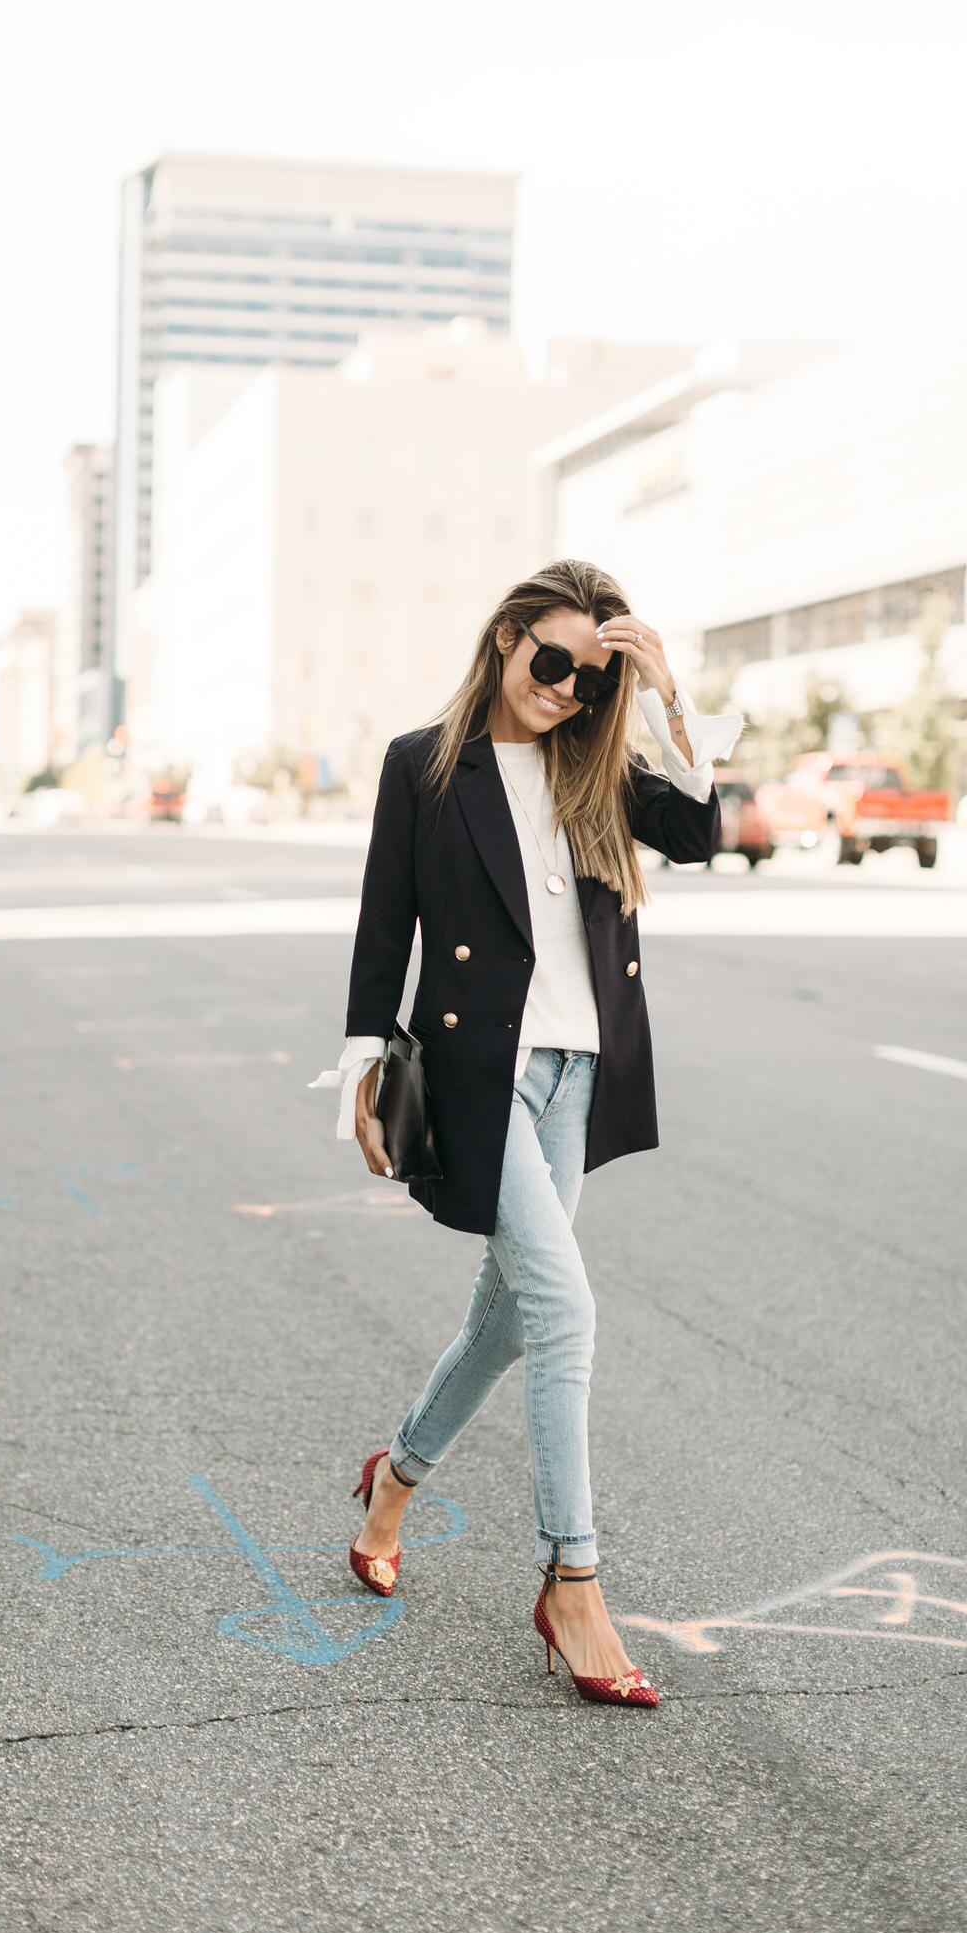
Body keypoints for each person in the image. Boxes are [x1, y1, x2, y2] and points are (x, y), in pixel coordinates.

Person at [310, 559, 741, 1706]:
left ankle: (391, 1482)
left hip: (574, 1071)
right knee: (562, 1308)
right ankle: (573, 1580)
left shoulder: (593, 759)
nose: (563, 689)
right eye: (551, 662)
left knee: (506, 1320)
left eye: (587, 677)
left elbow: (700, 834)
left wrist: (660, 697)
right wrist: (361, 1061)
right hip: (472, 1072)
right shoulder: (426, 764)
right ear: (505, 640)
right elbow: (381, 923)